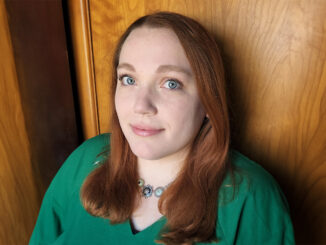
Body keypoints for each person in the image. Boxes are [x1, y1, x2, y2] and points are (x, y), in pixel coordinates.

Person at [29, 12, 295, 245]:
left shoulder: (251, 197)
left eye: (170, 83)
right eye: (129, 79)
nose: (141, 105)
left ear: (207, 101)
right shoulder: (85, 161)